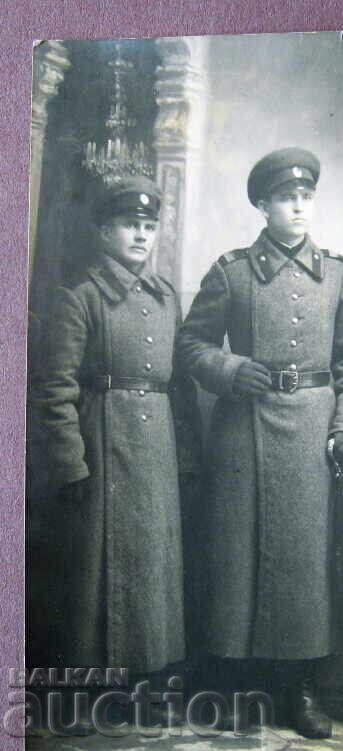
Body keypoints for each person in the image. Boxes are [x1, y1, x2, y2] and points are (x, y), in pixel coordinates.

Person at [177, 147, 343, 738]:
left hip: (313, 436)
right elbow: (190, 345)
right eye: (287, 198)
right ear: (263, 205)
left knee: (305, 565)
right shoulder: (231, 272)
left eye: (306, 196)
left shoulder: (337, 275)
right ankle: (237, 688)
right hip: (243, 433)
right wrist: (230, 369)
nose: (299, 206)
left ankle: (301, 690)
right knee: (237, 563)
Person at [34, 176, 201, 684]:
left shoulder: (166, 298)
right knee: (95, 573)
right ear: (105, 231)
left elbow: (180, 388)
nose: (141, 235)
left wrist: (187, 456)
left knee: (154, 566)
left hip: (157, 450)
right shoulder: (81, 297)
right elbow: (55, 388)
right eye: (130, 225)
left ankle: (147, 679)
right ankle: (93, 686)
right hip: (102, 443)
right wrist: (70, 462)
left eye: (149, 226)